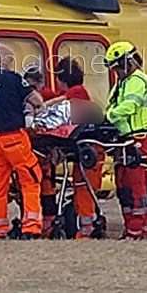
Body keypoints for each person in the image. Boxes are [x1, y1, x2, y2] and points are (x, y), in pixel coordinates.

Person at [0, 44, 45, 239]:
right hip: (14, 138)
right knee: (31, 179)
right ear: (6, 61)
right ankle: (31, 227)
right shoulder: (14, 79)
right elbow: (36, 101)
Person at [105, 41, 147, 239]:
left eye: (116, 66)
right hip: (128, 139)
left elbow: (128, 107)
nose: (115, 71)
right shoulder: (128, 82)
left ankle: (139, 230)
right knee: (129, 185)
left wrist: (108, 117)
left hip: (138, 139)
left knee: (135, 186)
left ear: (126, 62)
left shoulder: (137, 82)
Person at [54, 56, 104, 239]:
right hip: (86, 150)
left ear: (61, 79)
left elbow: (61, 104)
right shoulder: (79, 92)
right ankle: (86, 227)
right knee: (82, 186)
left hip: (89, 150)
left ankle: (86, 230)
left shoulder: (76, 94)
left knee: (84, 188)